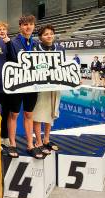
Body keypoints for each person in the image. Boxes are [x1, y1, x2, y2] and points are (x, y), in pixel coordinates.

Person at [7, 15, 43, 159]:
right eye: (25, 25)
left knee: (29, 114)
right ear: (20, 26)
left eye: (31, 24)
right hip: (17, 84)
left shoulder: (35, 44)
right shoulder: (13, 43)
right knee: (14, 114)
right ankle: (13, 144)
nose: (28, 27)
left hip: (32, 85)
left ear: (34, 26)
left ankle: (30, 144)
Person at [33, 24, 65, 155]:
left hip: (55, 85)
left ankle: (46, 139)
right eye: (46, 34)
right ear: (40, 37)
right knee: (38, 114)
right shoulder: (36, 48)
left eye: (51, 33)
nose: (49, 36)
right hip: (40, 86)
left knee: (51, 113)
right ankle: (38, 141)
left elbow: (63, 66)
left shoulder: (60, 48)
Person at [0, 21, 11, 148]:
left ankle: (5, 136)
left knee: (6, 112)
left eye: (3, 29)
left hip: (7, 84)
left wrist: (9, 44)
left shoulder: (11, 44)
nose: (1, 31)